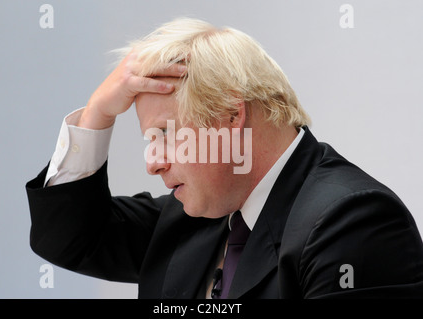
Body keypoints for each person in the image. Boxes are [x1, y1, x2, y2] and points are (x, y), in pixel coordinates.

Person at [26, 18, 423, 298]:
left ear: (231, 115)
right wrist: (97, 114)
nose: (153, 162)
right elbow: (69, 238)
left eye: (164, 134)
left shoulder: (352, 222)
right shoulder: (196, 216)